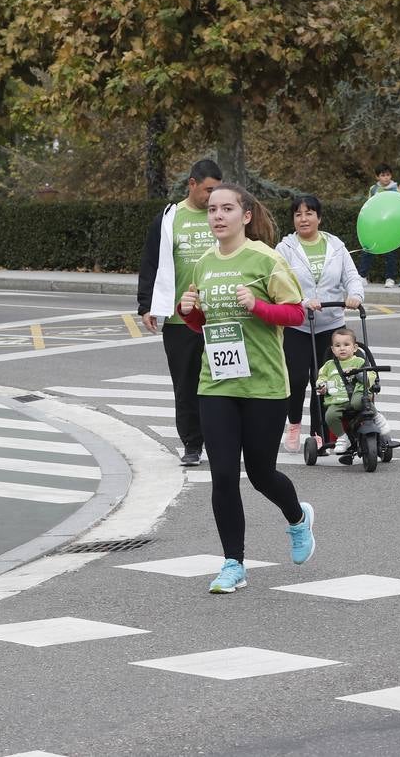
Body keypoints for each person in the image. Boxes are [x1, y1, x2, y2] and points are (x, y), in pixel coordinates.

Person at [176, 183, 316, 594]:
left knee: (259, 473)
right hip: (217, 382)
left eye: (227, 209)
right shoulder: (203, 263)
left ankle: (297, 517)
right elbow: (206, 325)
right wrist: (190, 313)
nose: (218, 216)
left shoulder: (266, 260)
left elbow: (293, 314)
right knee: (223, 475)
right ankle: (233, 563)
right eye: (212, 210)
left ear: (246, 215)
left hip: (264, 384)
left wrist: (257, 307)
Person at [137, 159, 223, 466]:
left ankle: (221, 439)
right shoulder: (170, 218)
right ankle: (191, 443)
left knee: (223, 380)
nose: (212, 197)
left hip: (220, 315)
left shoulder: (222, 215)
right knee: (186, 383)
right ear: (192, 184)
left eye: (217, 191)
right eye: (208, 190)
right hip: (179, 318)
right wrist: (146, 304)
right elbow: (151, 261)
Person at [274, 193, 363, 453]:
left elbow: (351, 276)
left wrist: (355, 295)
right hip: (298, 325)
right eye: (298, 214)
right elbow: (280, 285)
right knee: (298, 378)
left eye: (309, 213)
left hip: (330, 325)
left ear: (319, 217)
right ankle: (293, 424)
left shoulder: (336, 246)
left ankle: (321, 433)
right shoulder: (285, 249)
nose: (304, 219)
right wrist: (301, 300)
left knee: (325, 380)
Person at [314, 327, 385, 464]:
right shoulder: (329, 366)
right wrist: (321, 386)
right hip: (337, 400)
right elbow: (321, 378)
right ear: (333, 349)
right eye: (337, 345)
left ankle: (377, 417)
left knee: (360, 402)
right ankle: (342, 437)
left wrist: (358, 373)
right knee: (330, 415)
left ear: (354, 347)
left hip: (357, 397)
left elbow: (370, 375)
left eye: (346, 345)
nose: (342, 348)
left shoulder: (359, 361)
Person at [356, 164, 400, 286]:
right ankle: (363, 276)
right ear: (377, 177)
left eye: (388, 175)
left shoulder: (396, 189)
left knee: (390, 252)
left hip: (390, 225)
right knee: (368, 249)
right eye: (382, 175)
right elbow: (369, 205)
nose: (386, 178)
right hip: (375, 224)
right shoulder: (373, 189)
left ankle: (390, 278)